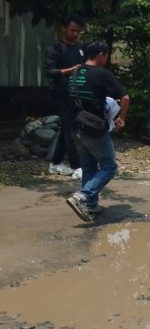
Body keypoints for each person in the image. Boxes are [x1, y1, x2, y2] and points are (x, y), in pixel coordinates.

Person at [64, 41, 130, 222]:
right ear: (101, 54)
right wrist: (121, 118)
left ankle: (90, 206)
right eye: (106, 55)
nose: (106, 59)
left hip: (75, 126)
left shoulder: (75, 72)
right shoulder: (101, 74)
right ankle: (82, 196)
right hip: (94, 127)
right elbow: (124, 97)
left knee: (89, 167)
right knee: (110, 167)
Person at [44, 15, 85, 179]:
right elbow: (49, 71)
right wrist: (68, 71)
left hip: (77, 93)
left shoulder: (79, 49)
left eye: (78, 31)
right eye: (72, 30)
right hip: (61, 93)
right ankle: (77, 166)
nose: (75, 34)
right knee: (71, 128)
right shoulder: (56, 49)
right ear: (64, 29)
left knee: (66, 128)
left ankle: (55, 163)